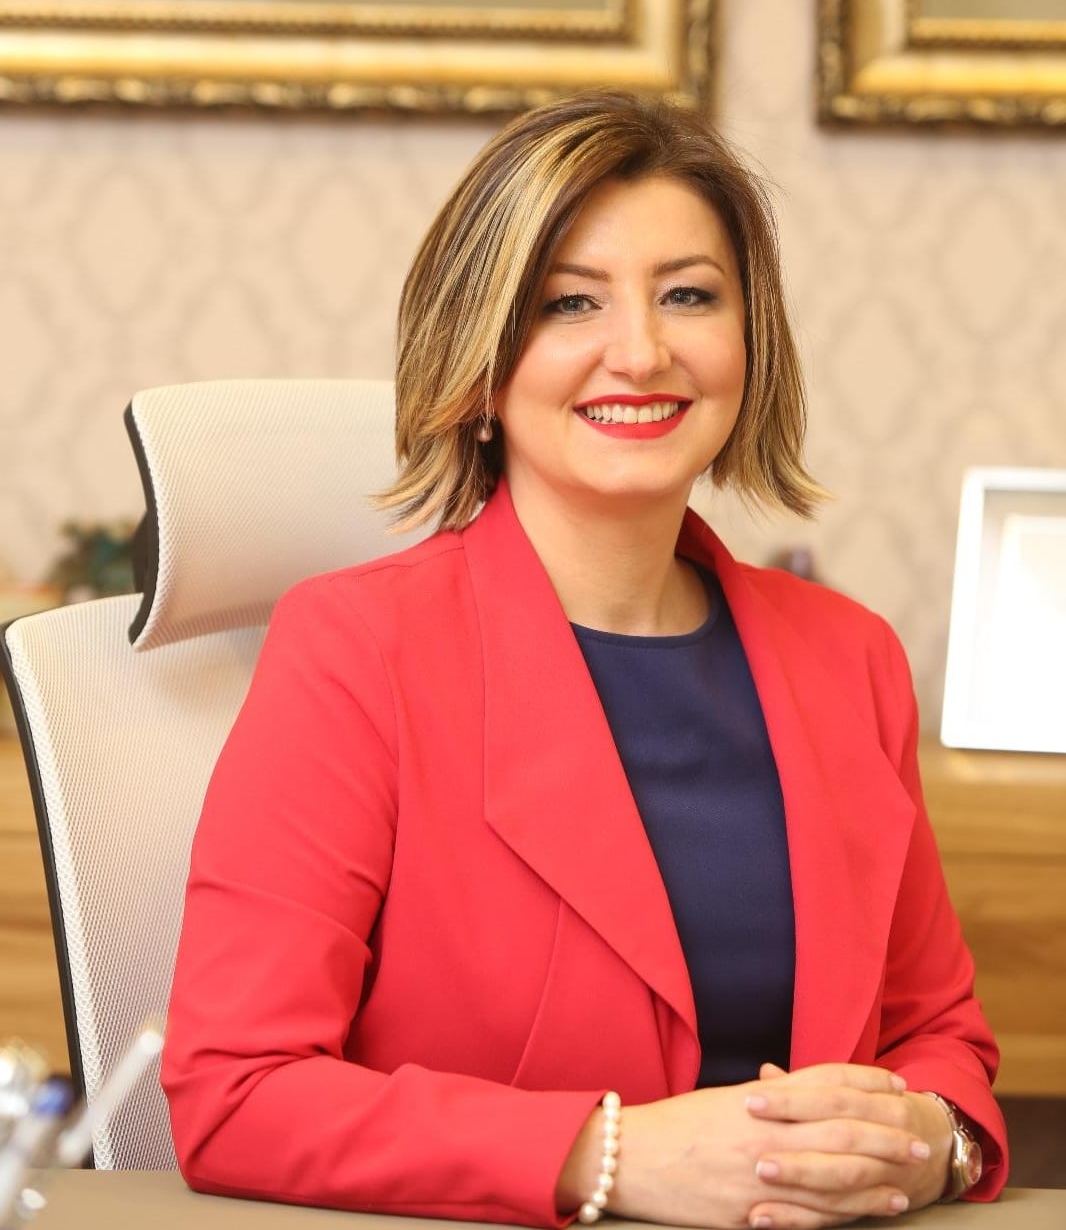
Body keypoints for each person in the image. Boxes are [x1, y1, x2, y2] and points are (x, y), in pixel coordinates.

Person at [162, 90, 1008, 1230]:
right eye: (570, 302)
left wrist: (932, 1142)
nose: (643, 352)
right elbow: (236, 1095)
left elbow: (936, 1038)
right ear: (478, 362)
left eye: (689, 295)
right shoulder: (356, 650)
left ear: (749, 343)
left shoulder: (846, 656)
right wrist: (606, 1157)